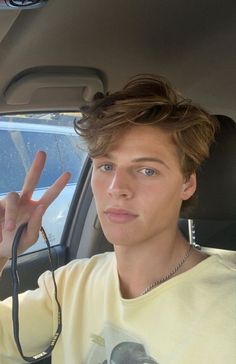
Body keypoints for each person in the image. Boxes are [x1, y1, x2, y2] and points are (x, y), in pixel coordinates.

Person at [0, 74, 235, 364]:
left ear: (187, 183)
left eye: (147, 170)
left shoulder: (227, 305)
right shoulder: (71, 284)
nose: (116, 189)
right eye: (107, 166)